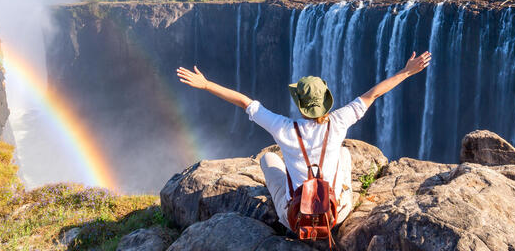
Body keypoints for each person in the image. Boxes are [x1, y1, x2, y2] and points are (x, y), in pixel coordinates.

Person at [176, 50, 431, 229]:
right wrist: (406, 72)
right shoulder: (339, 121)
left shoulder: (283, 128)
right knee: (343, 154)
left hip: (295, 220)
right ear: (326, 102)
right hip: (335, 216)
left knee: (267, 158)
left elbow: (245, 102)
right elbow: (372, 95)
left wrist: (207, 84)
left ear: (300, 105)